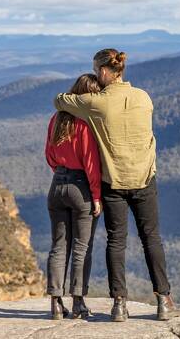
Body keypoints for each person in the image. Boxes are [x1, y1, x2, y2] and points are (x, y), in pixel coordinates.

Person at [53, 48, 180, 322]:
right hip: (144, 179)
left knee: (116, 241)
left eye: (95, 69)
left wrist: (80, 97)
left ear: (103, 71)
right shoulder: (144, 97)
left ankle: (119, 305)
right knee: (151, 238)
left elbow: (60, 101)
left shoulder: (96, 103)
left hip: (113, 182)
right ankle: (164, 301)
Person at [44, 74, 103, 320]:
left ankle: (56, 304)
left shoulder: (56, 119)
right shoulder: (85, 122)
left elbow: (49, 154)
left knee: (59, 245)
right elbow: (91, 163)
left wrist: (61, 173)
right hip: (81, 188)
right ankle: (78, 303)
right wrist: (96, 196)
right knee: (81, 247)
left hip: (57, 185)